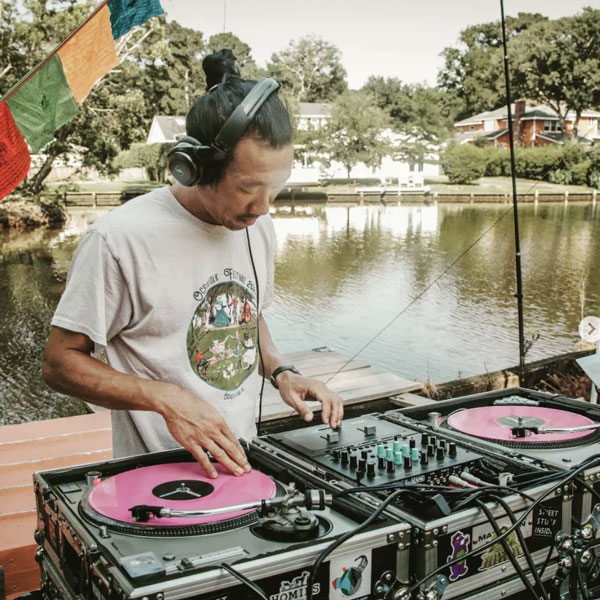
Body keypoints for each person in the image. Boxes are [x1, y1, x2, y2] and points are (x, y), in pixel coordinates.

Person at [42, 49, 344, 480]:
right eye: (248, 188)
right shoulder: (118, 239)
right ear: (194, 168)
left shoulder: (257, 226)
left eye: (275, 188)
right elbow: (59, 362)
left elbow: (246, 316)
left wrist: (280, 371)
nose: (263, 206)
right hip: (152, 479)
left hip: (242, 465)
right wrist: (167, 399)